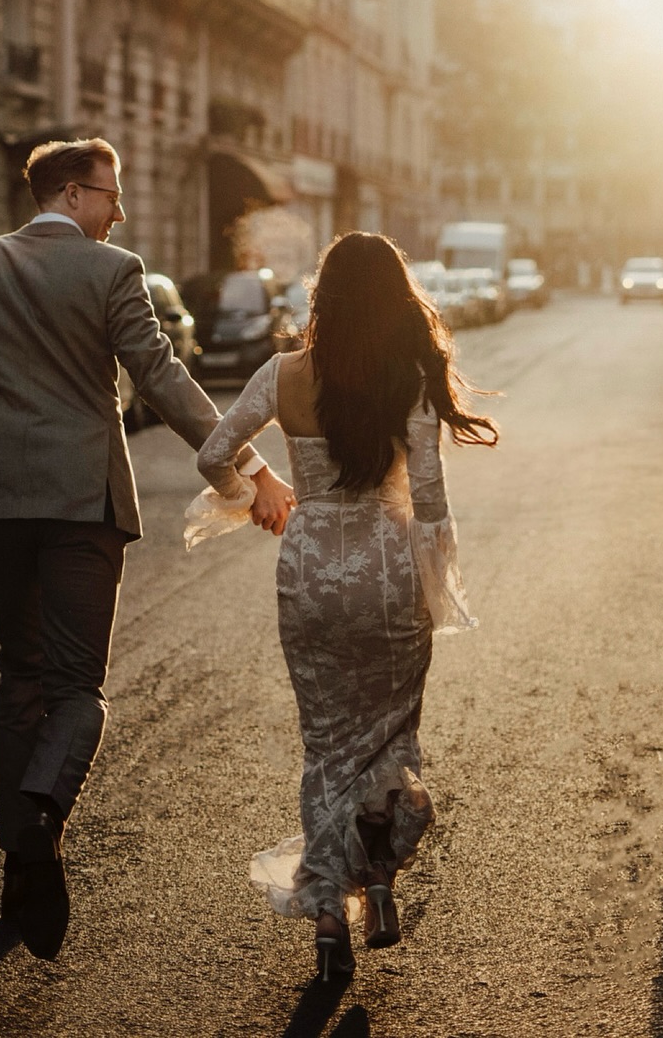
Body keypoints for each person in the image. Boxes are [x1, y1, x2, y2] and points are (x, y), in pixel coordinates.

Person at [0, 137, 295, 961]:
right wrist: (246, 465)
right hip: (82, 502)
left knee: (19, 673)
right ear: (72, 192)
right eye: (112, 194)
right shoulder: (112, 272)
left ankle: (20, 865)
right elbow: (165, 379)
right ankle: (40, 817)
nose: (121, 211)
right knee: (78, 687)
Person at [194, 231, 498, 982]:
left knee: (327, 746)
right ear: (397, 299)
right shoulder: (413, 376)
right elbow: (428, 501)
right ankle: (384, 881)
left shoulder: (284, 373)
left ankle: (330, 918)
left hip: (309, 571)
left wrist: (260, 493)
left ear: (322, 297)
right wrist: (435, 589)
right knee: (390, 736)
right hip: (390, 570)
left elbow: (212, 452)